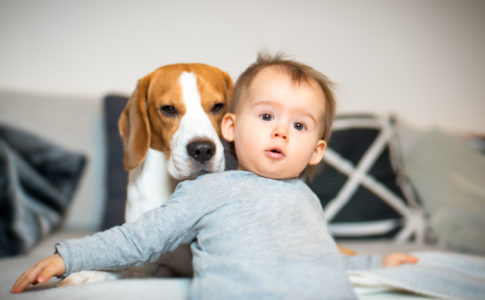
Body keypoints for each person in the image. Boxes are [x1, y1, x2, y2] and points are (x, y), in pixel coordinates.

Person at [11, 53, 417, 299]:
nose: (199, 137)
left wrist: (373, 262)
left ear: (231, 122)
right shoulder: (188, 198)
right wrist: (75, 258)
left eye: (215, 107)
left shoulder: (257, 189)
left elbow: (311, 250)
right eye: (170, 110)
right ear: (147, 119)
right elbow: (140, 244)